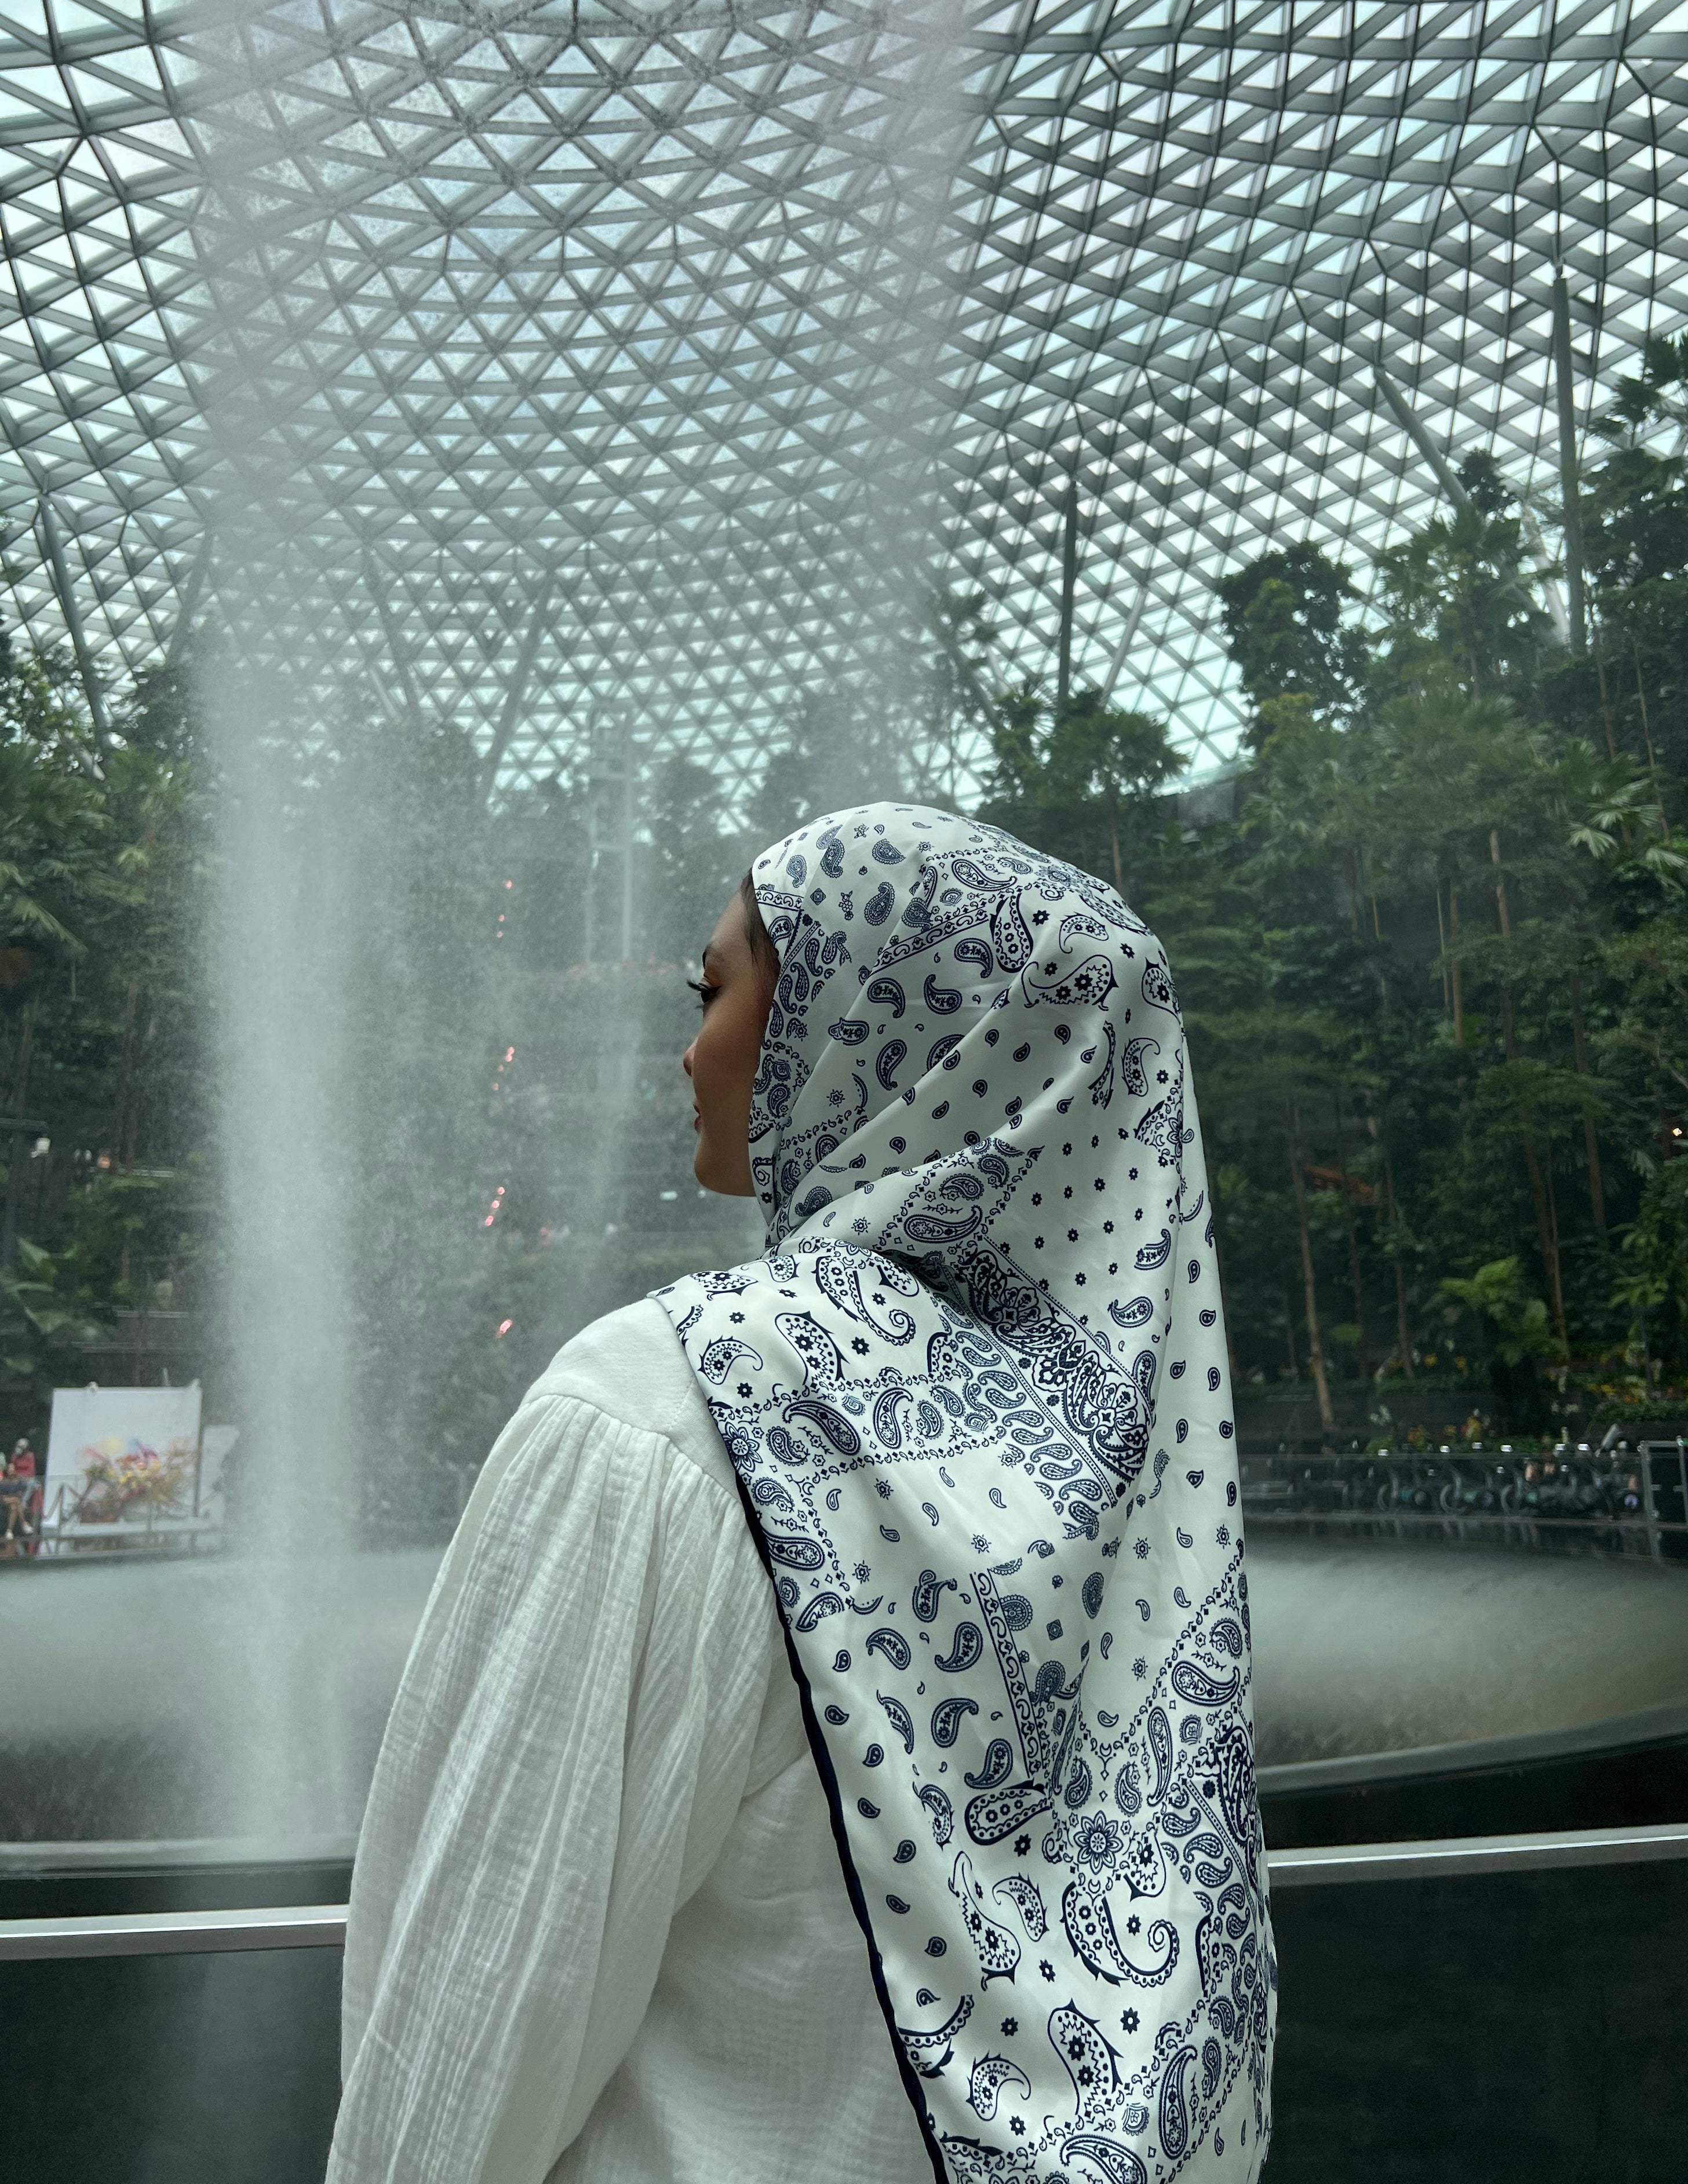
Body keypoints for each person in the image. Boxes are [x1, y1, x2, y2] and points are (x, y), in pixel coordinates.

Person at [329, 803, 1274, 2184]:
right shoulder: (1143, 1476)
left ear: (868, 1029)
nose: (692, 1044)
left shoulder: (662, 1412)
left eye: (714, 990)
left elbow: (462, 2064)